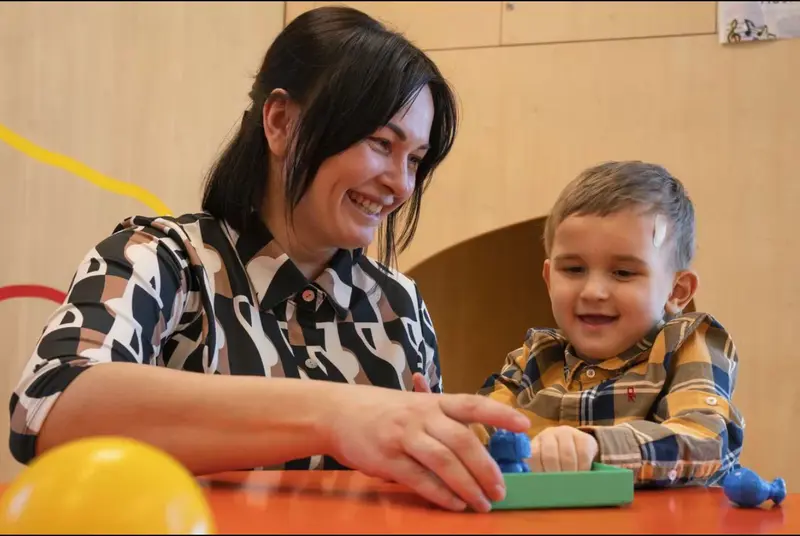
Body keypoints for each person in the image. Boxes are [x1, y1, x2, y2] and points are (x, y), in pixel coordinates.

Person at [7, 6, 530, 513]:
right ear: (280, 122)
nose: (400, 184)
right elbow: (48, 403)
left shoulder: (401, 304)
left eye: (415, 160)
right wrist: (337, 413)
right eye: (379, 143)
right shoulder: (160, 259)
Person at [470, 161, 745, 487]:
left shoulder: (686, 345)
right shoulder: (532, 359)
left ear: (676, 291)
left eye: (623, 273)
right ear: (548, 279)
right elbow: (479, 433)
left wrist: (596, 446)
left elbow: (707, 441)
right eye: (573, 269)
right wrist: (441, 428)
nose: (593, 292)